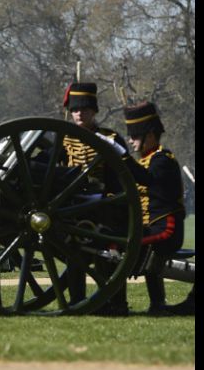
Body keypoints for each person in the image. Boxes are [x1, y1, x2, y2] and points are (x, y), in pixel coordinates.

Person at [61, 82, 130, 316]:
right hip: (75, 208)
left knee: (109, 258)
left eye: (84, 109)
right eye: (75, 109)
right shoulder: (65, 139)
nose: (79, 113)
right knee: (74, 256)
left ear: (94, 111)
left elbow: (124, 175)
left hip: (106, 207)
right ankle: (77, 301)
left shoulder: (110, 138)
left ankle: (116, 303)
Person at [119, 101, 191, 315]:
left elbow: (146, 179)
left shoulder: (163, 159)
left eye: (135, 136)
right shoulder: (144, 160)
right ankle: (156, 305)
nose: (131, 140)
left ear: (149, 135)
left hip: (165, 229)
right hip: (150, 227)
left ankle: (146, 304)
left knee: (124, 247)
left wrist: (122, 157)